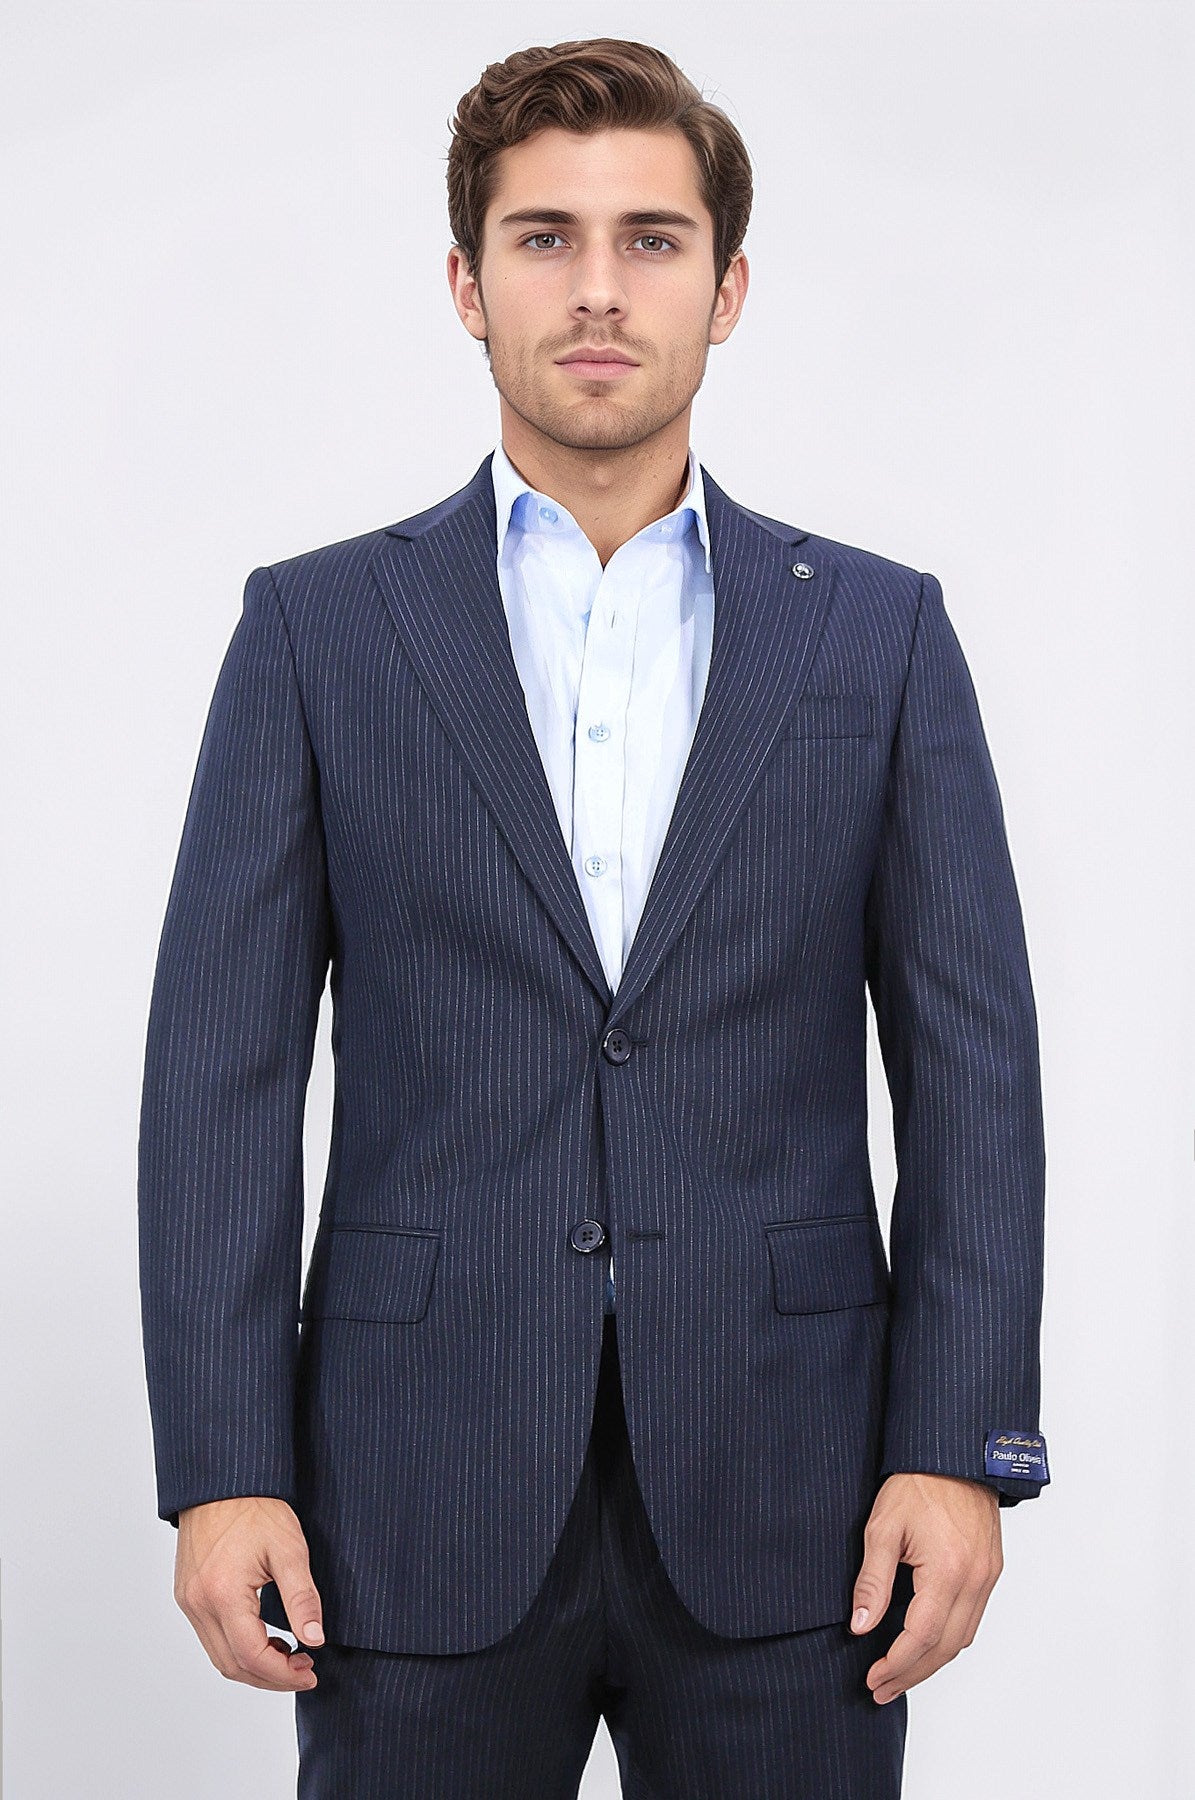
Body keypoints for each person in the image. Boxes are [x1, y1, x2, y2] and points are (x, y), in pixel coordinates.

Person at [137, 34, 1051, 1799]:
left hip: (802, 1502)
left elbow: (974, 1071)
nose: (601, 288)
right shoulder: (318, 634)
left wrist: (960, 1445)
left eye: (653, 239)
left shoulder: (878, 636)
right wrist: (224, 1467)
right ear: (466, 286)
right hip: (412, 1491)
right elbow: (216, 1081)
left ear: (728, 289)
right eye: (545, 238)